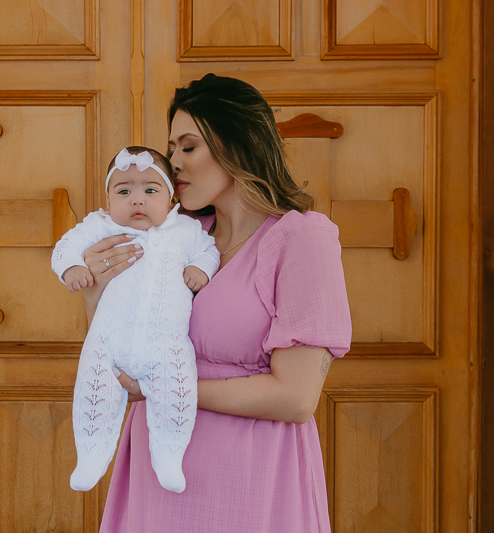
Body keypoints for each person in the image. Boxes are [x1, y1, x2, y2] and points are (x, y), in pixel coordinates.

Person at [79, 75, 352, 533]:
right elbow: (122, 361)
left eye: (189, 147)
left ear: (239, 145)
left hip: (250, 481)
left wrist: (167, 391)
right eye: (172, 149)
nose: (174, 163)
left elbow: (297, 397)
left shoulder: (302, 238)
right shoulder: (178, 240)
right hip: (158, 475)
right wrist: (95, 288)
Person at [51, 146, 220, 493]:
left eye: (150, 190)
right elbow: (64, 247)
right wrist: (72, 268)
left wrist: (199, 268)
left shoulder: (186, 229)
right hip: (108, 340)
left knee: (177, 395)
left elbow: (209, 250)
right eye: (124, 191)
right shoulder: (99, 225)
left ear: (171, 198)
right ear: (108, 199)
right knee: (93, 393)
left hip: (167, 345)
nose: (137, 200)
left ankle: (169, 457)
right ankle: (91, 457)